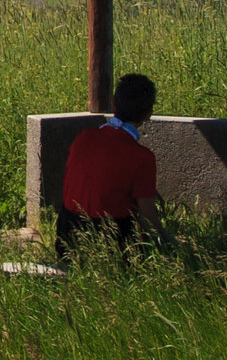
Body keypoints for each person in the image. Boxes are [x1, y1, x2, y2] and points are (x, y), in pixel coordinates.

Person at [56, 73, 161, 260]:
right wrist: (168, 242)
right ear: (148, 114)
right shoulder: (142, 158)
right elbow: (148, 217)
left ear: (113, 104)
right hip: (110, 241)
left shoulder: (84, 138)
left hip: (67, 235)